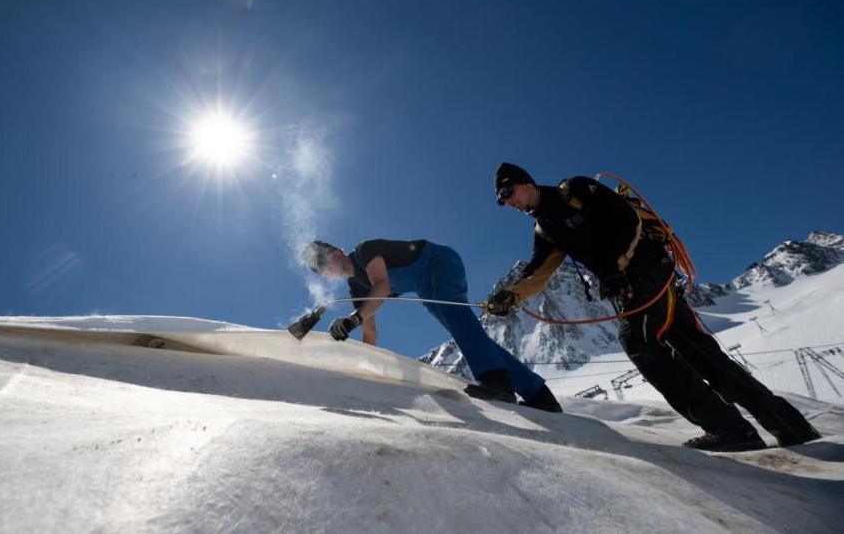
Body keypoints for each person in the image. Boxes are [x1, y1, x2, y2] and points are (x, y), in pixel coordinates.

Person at [485, 162, 822, 451]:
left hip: (646, 272)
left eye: (509, 191)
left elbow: (627, 219)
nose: (508, 201)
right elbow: (538, 271)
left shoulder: (576, 190)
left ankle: (730, 429)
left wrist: (616, 268)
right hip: (635, 285)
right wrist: (510, 296)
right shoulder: (546, 229)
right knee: (701, 354)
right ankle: (792, 429)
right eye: (502, 200)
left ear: (526, 182)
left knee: (639, 342)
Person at [301, 238, 562, 412]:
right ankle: (538, 394)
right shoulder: (355, 286)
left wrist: (353, 318)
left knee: (454, 315)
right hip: (426, 286)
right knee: (466, 332)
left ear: (335, 251)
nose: (326, 269)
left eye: (325, 261)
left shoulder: (364, 251)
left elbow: (382, 286)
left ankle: (497, 382)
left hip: (438, 261)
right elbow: (370, 332)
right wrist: (364, 367)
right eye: (320, 270)